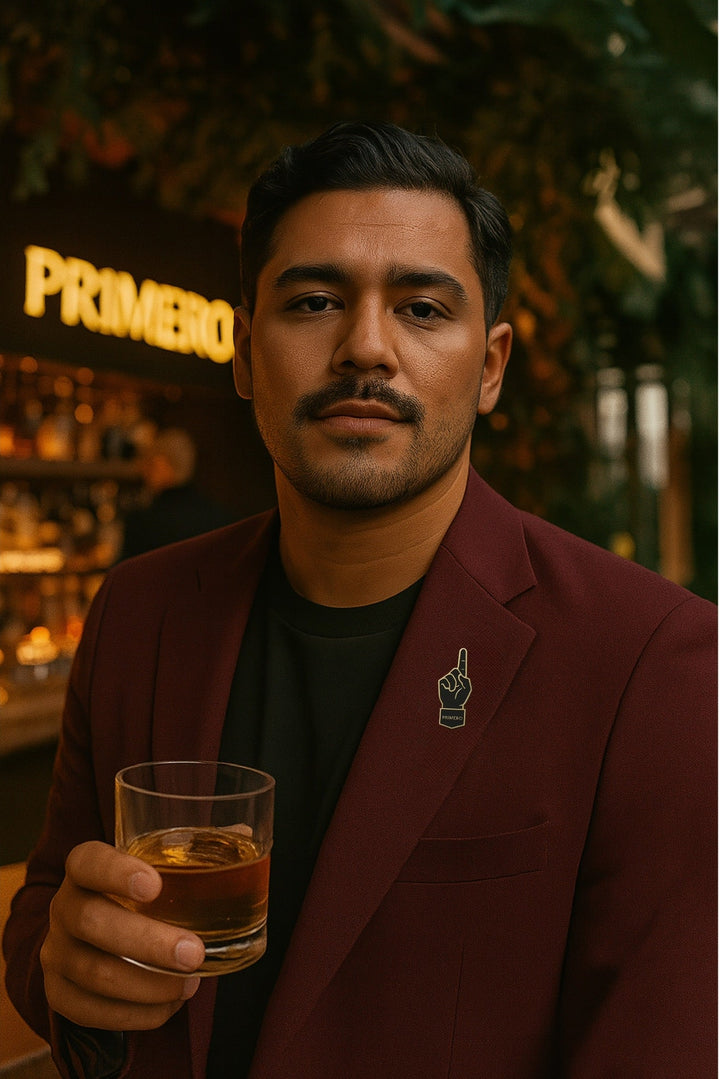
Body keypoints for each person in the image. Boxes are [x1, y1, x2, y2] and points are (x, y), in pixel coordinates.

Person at [3, 121, 716, 1079]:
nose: (365, 348)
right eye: (313, 300)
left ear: (492, 365)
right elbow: (50, 912)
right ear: (246, 353)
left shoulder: (651, 659)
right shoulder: (143, 608)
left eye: (422, 308)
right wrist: (69, 968)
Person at [119, 427, 232, 560]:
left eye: (152, 463)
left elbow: (127, 574)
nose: (144, 470)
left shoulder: (144, 522)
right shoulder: (219, 517)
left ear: (169, 464)